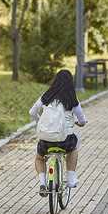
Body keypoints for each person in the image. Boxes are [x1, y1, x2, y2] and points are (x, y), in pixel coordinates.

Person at [29, 69, 86, 197]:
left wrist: (40, 121)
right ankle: (70, 178)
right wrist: (80, 124)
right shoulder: (73, 99)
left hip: (46, 139)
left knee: (40, 158)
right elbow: (82, 119)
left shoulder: (46, 96)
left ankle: (43, 182)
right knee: (73, 149)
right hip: (65, 140)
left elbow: (32, 112)